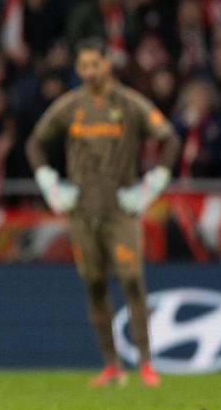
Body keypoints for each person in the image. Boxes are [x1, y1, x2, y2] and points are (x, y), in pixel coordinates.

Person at [24, 39, 180, 387]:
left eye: (95, 64)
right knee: (94, 284)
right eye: (83, 67)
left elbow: (170, 138)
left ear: (108, 64)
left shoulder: (129, 103)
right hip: (82, 210)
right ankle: (112, 366)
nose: (89, 72)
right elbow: (34, 142)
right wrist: (50, 183)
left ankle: (145, 363)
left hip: (120, 209)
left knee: (131, 280)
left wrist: (152, 185)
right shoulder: (70, 106)